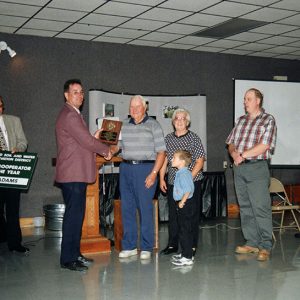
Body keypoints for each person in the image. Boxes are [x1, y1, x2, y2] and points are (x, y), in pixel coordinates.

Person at [55, 79, 112, 271]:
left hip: (75, 174)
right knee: (73, 217)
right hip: (73, 175)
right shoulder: (70, 115)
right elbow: (86, 141)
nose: (80, 95)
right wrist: (105, 149)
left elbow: (83, 141)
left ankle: (75, 254)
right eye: (75, 92)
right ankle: (68, 259)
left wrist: (93, 139)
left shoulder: (73, 114)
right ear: (66, 95)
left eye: (81, 92)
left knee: (77, 217)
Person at [226, 88, 277, 262]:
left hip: (256, 168)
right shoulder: (240, 120)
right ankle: (251, 242)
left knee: (260, 208)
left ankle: (265, 245)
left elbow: (265, 145)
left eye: (248, 99)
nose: (245, 102)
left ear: (258, 101)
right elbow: (231, 142)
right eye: (244, 99)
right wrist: (233, 154)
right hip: (239, 168)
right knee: (246, 207)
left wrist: (243, 155)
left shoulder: (268, 120)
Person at [118, 95, 166, 260]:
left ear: (144, 108)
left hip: (146, 169)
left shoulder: (154, 125)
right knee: (127, 208)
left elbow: (161, 152)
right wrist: (105, 145)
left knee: (145, 209)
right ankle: (129, 246)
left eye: (137, 107)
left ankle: (146, 246)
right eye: (131, 107)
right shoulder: (123, 125)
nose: (133, 110)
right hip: (125, 169)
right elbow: (115, 146)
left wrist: (154, 174)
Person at [160, 108, 205, 259]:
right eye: (177, 118)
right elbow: (164, 160)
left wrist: (187, 179)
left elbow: (200, 161)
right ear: (173, 122)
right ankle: (173, 245)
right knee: (174, 215)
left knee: (190, 216)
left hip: (191, 183)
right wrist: (161, 178)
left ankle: (191, 246)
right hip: (173, 183)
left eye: (182, 118)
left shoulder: (194, 138)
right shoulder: (168, 139)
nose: (179, 121)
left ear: (187, 122)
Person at [0, 95, 29, 253]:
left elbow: (23, 141)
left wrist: (18, 149)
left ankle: (15, 244)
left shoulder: (14, 120)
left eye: (0, 105)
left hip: (11, 171)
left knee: (13, 209)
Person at [170, 150, 194, 266]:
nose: (171, 160)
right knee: (183, 230)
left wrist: (182, 202)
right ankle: (185, 252)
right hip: (183, 203)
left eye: (174, 158)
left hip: (185, 204)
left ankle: (187, 257)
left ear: (182, 161)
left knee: (185, 230)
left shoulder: (184, 174)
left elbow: (188, 190)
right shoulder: (181, 172)